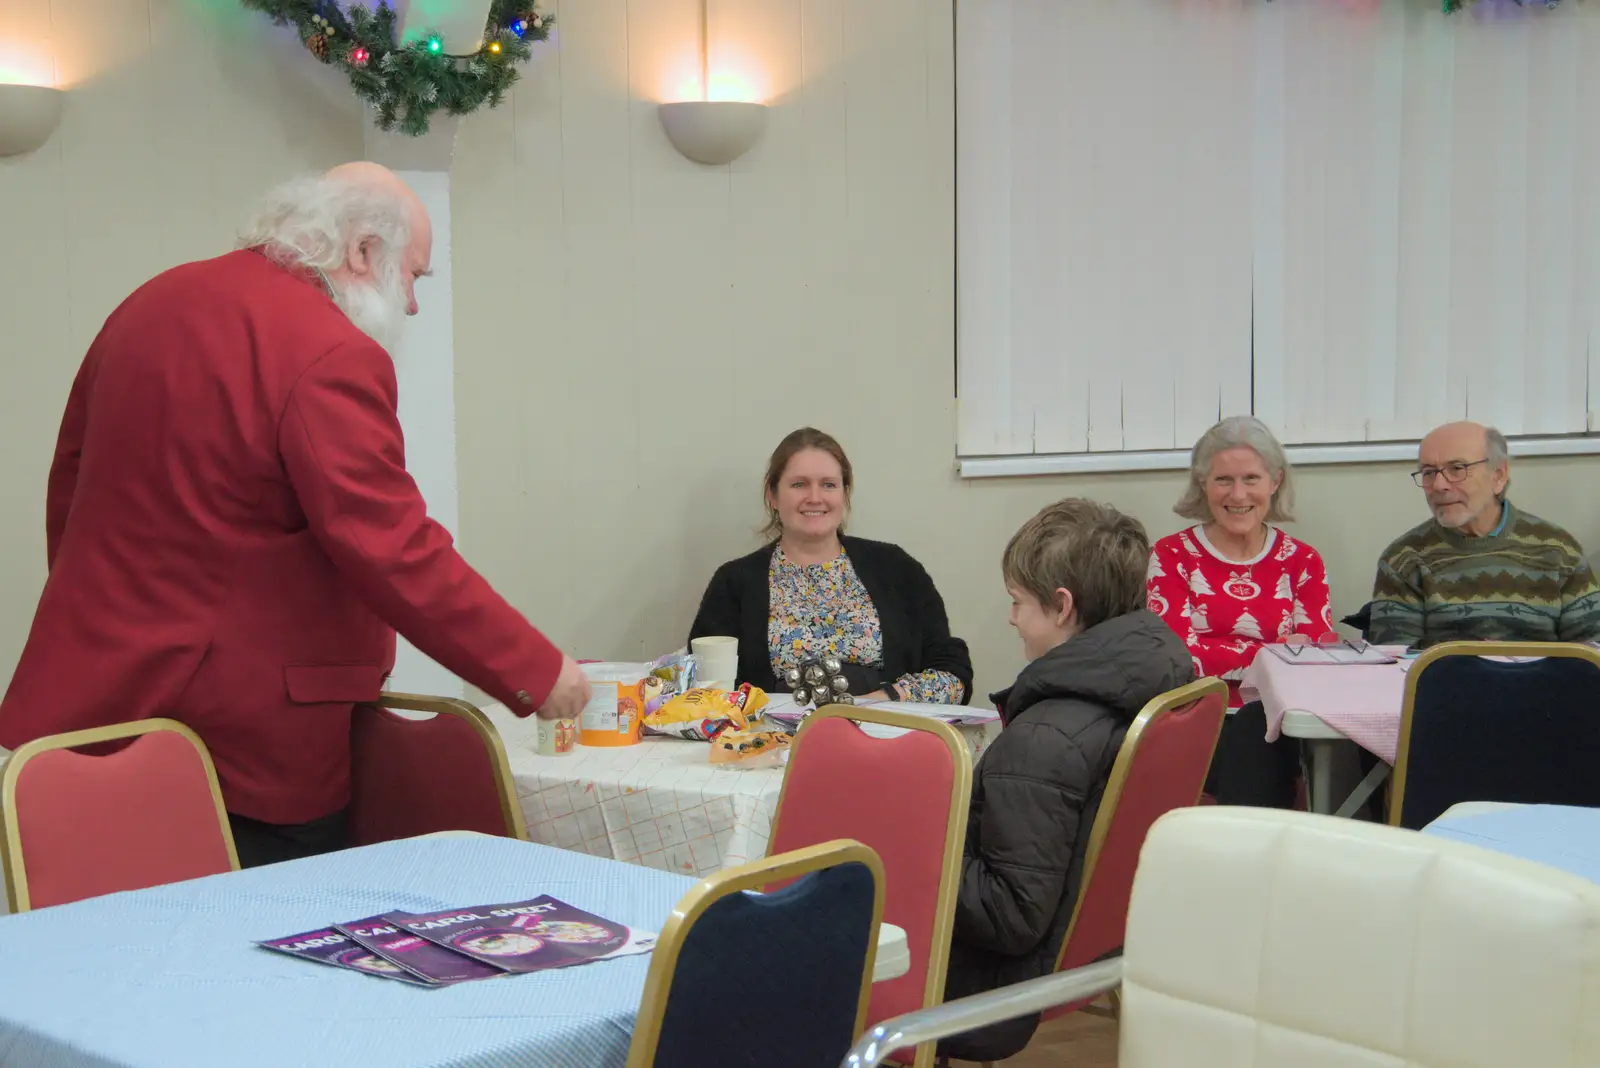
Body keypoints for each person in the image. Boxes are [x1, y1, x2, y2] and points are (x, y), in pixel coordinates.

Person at [0, 163, 590, 868]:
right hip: (248, 746)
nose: (411, 307)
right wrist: (536, 668)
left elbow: (71, 486)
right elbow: (389, 545)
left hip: (88, 711)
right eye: (415, 276)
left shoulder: (150, 303)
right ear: (364, 251)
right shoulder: (328, 350)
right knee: (263, 955)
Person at [940, 498, 1191, 1062]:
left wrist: (910, 844)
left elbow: (1010, 914)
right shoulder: (1157, 685)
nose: (1010, 617)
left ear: (1061, 606)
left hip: (980, 985)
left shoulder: (1042, 739)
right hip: (1092, 953)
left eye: (1017, 602)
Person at [687, 427, 972, 703]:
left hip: (884, 732)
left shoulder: (896, 569)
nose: (815, 497)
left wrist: (884, 702)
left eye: (828, 484)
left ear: (844, 493)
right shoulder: (734, 583)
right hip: (774, 743)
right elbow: (703, 685)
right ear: (773, 496)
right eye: (799, 484)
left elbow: (952, 674)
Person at [1146, 415, 1332, 808]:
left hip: (1281, 724)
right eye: (1223, 480)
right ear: (1203, 484)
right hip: (1197, 718)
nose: (1238, 494)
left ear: (1275, 482)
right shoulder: (1172, 556)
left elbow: (1316, 661)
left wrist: (1220, 650)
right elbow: (1177, 656)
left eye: (1251, 479)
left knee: (1259, 728)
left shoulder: (1302, 561)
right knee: (1251, 732)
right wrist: (1273, 654)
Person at [1369, 420, 1600, 648]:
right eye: (1429, 472)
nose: (1439, 485)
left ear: (1498, 476)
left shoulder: (1558, 550)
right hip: (1445, 685)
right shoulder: (1403, 560)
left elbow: (1592, 651)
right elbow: (1395, 664)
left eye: (1457, 468)